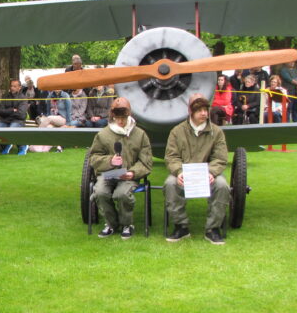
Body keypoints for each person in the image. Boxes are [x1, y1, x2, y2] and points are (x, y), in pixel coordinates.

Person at [163, 94, 231, 245]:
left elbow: (220, 157)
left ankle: (212, 229)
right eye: (199, 110)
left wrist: (211, 172)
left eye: (205, 109)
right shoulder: (177, 131)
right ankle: (181, 226)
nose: (204, 113)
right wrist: (179, 172)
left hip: (208, 174)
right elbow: (171, 156)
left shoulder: (217, 132)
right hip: (184, 173)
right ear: (190, 111)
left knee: (222, 185)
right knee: (170, 184)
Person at [89, 98, 152, 239]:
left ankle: (127, 224)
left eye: (123, 117)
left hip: (129, 176)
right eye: (117, 118)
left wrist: (133, 172)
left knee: (122, 194)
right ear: (112, 116)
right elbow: (93, 158)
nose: (120, 121)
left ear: (129, 115)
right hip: (108, 174)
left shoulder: (140, 135)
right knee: (100, 192)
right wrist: (109, 160)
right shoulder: (103, 134)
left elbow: (146, 162)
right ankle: (111, 224)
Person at [0, 79, 29, 155]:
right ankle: (7, 145)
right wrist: (12, 110)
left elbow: (21, 114)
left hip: (18, 120)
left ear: (19, 87)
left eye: (15, 86)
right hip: (5, 120)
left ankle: (23, 147)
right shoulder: (5, 96)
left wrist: (7, 112)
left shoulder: (23, 98)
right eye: (11, 86)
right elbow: (0, 111)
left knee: (12, 129)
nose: (12, 88)